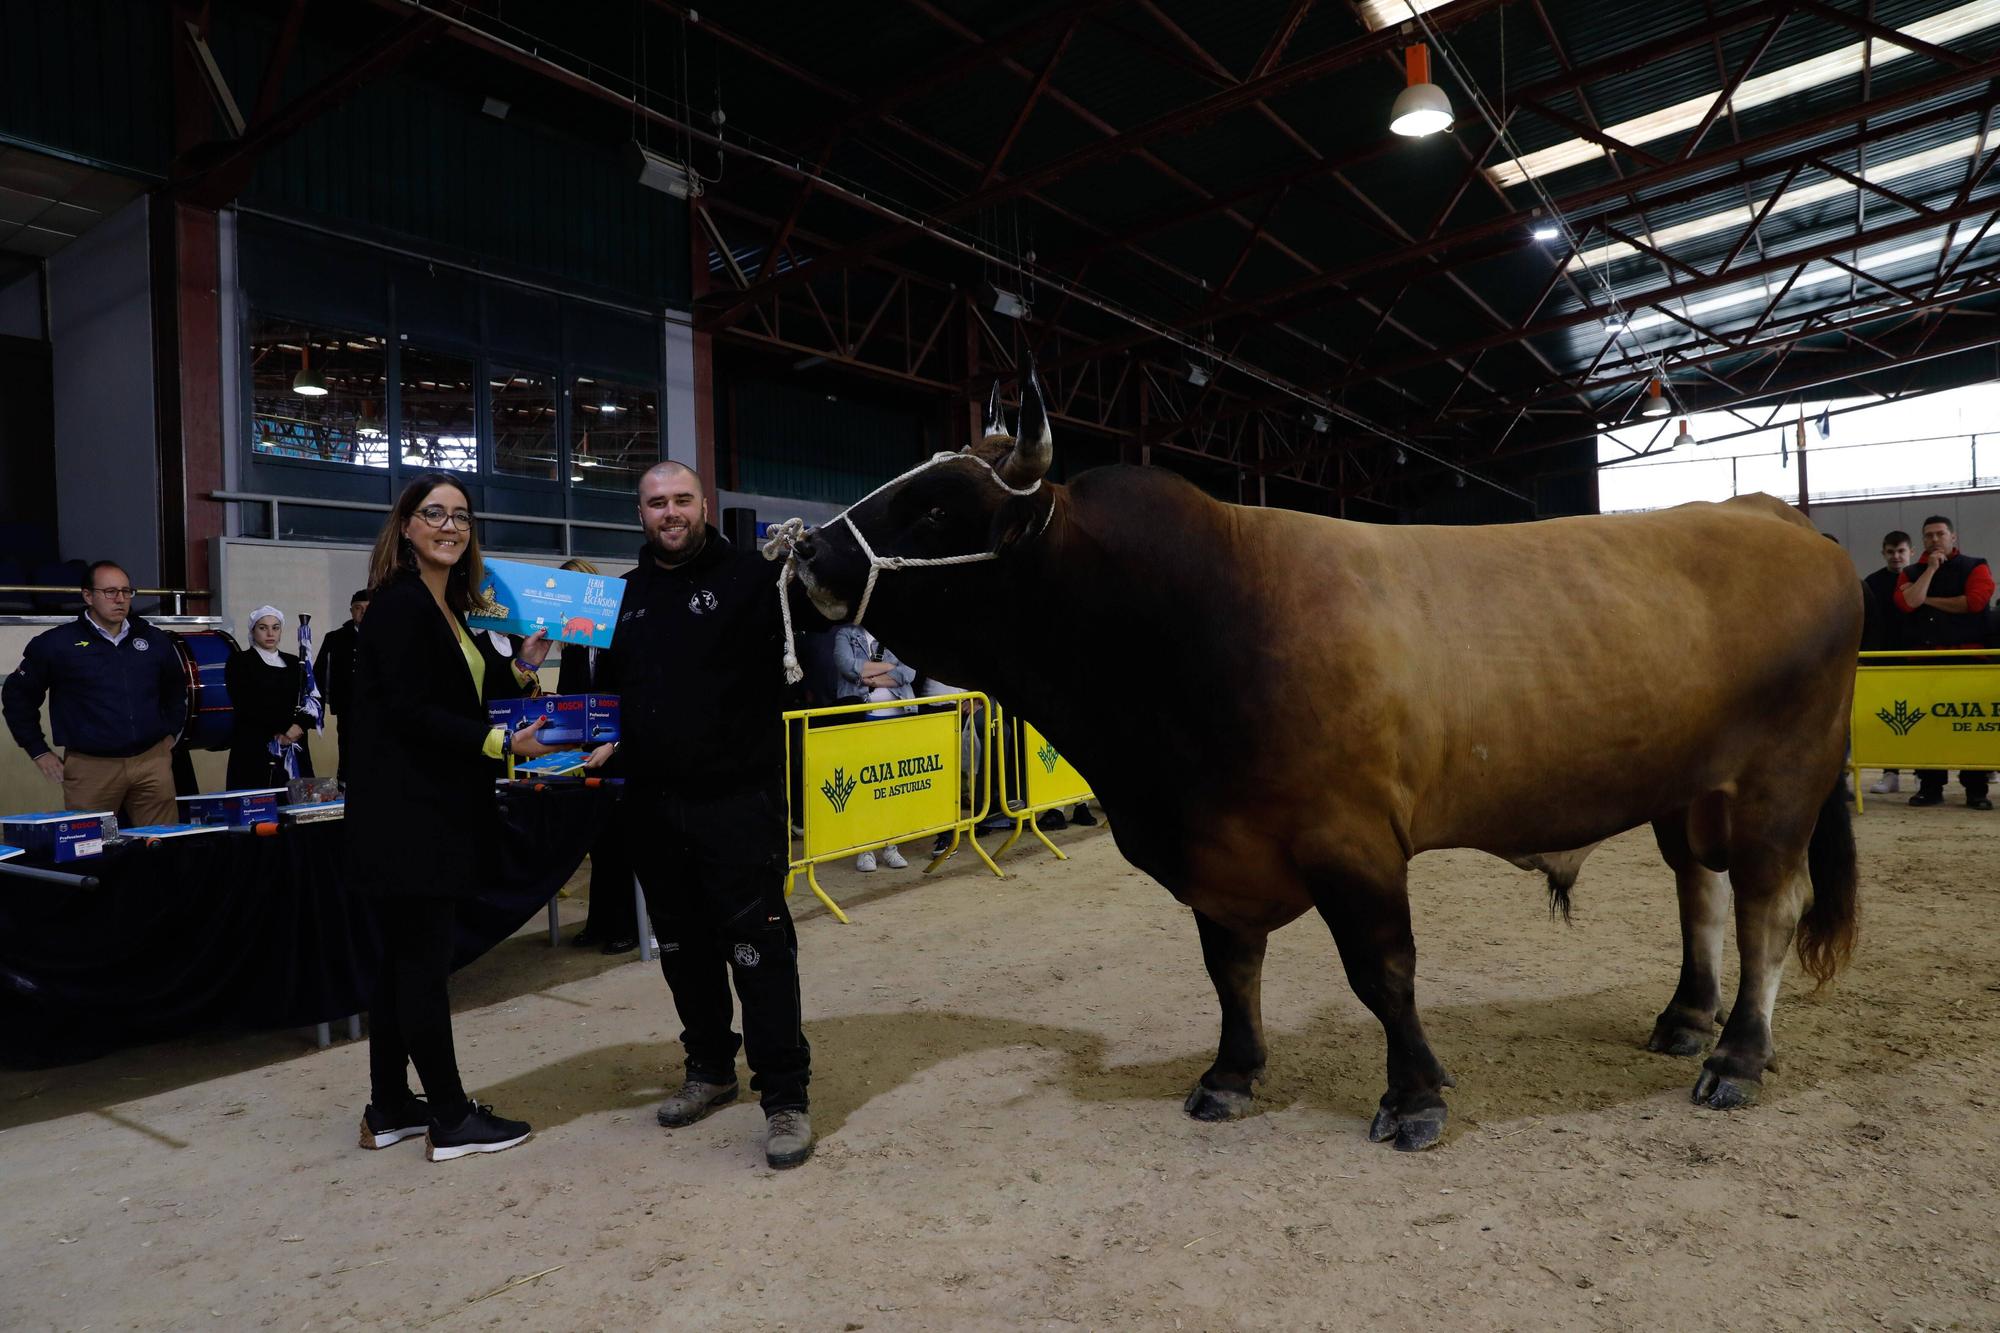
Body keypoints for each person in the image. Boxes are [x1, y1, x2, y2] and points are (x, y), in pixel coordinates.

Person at [583, 460, 820, 1170]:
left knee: (759, 950)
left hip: (736, 805)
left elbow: (812, 626)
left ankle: (784, 1097)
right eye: (657, 503)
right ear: (640, 515)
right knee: (682, 949)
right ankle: (711, 1068)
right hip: (652, 808)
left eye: (682, 499)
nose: (670, 512)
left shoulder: (752, 578)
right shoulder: (619, 598)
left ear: (705, 505)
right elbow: (595, 704)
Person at [345, 473, 559, 1162]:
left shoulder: (452, 608)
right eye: (433, 513)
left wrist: (523, 669)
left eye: (461, 515)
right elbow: (409, 710)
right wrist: (497, 743)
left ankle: (389, 1106)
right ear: (405, 525)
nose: (450, 524)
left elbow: (469, 692)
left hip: (429, 811)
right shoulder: (399, 606)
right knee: (422, 968)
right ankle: (450, 1115)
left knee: (401, 964)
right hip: (410, 816)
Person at [2, 560, 186, 827]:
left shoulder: (153, 639)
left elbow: (175, 688)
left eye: (126, 591)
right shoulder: (57, 644)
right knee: (95, 848)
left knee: (161, 844)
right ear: (88, 596)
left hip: (151, 762)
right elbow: (17, 696)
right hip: (92, 767)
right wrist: (38, 750)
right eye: (110, 592)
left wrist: (170, 732)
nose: (120, 599)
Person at [556, 557, 637, 955]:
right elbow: (571, 700)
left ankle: (627, 925)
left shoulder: (621, 635)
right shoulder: (572, 645)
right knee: (599, 844)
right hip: (589, 756)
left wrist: (614, 744)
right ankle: (600, 921)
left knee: (623, 843)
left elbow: (635, 697)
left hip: (623, 752)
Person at [1895, 514, 1994, 810]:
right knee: (1926, 725)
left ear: (1953, 538)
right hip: (1926, 659)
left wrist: (1927, 599)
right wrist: (1929, 573)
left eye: (1940, 534)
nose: (1935, 540)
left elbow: (1974, 602)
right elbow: (1906, 603)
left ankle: (1976, 790)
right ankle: (1930, 786)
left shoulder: (1977, 565)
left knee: (1969, 725)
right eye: (1929, 535)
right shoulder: (1912, 571)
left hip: (1968, 658)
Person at [834, 625, 915, 873]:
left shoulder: (897, 632)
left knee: (893, 787)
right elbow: (847, 666)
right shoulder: (845, 634)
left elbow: (910, 671)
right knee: (865, 787)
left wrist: (869, 676)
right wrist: (891, 668)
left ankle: (891, 845)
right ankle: (865, 848)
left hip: (898, 716)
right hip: (862, 717)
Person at [223, 606, 317, 791]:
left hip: (294, 743)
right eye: (263, 627)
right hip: (256, 746)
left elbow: (311, 699)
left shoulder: (294, 662)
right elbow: (246, 703)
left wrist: (299, 726)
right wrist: (283, 728)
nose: (270, 633)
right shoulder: (240, 662)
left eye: (275, 627)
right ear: (253, 630)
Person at [1861, 531, 1913, 795]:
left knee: (1922, 717)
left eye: (1901, 551)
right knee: (1888, 719)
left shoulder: (1920, 577)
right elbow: (1869, 624)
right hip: (1884, 661)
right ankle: (1890, 773)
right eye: (1891, 552)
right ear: (1883, 553)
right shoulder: (1872, 583)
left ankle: (1923, 773)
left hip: (1918, 659)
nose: (1896, 556)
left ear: (1910, 552)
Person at [313, 589, 368, 785]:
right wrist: (319, 708)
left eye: (368, 609)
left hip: (379, 708)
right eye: (358, 608)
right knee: (348, 748)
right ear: (351, 611)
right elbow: (319, 673)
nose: (363, 612)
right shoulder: (335, 638)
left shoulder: (387, 637)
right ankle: (346, 786)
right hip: (347, 706)